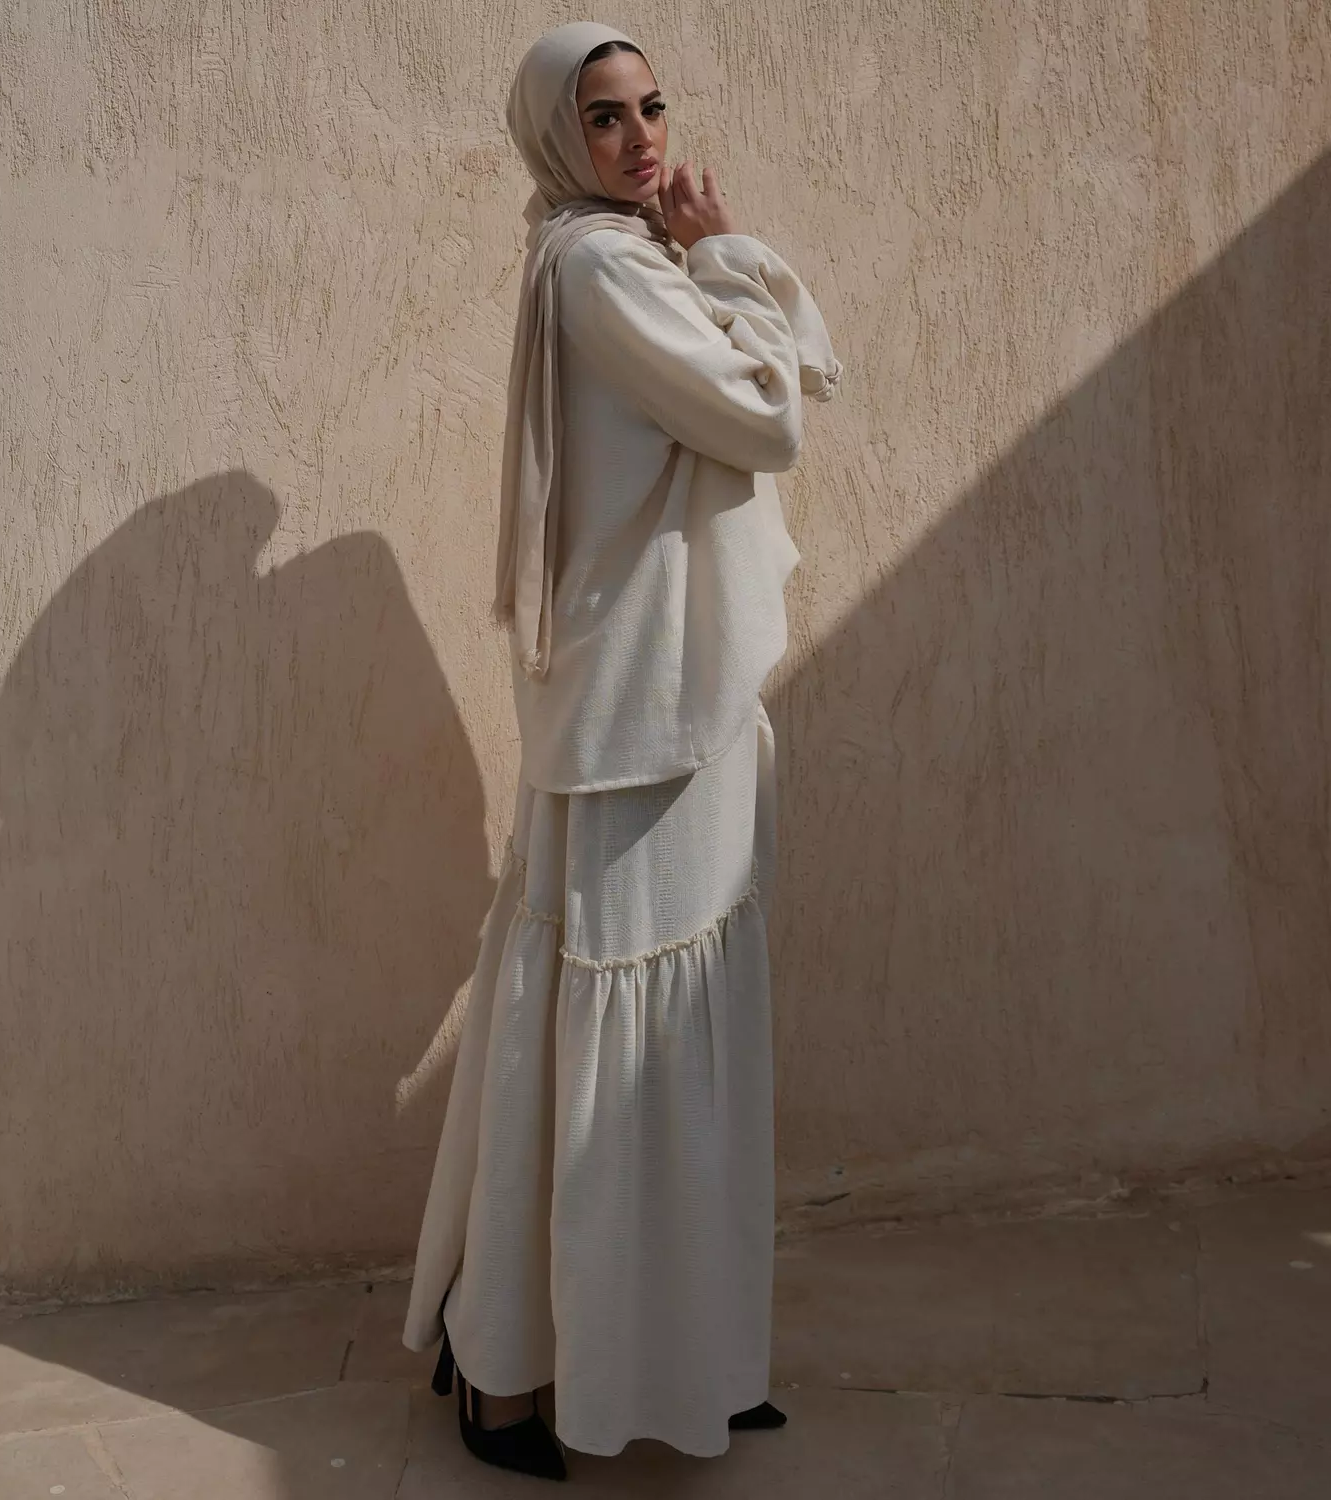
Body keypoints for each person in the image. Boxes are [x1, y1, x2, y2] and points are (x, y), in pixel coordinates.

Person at [402, 19, 840, 1479]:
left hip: (667, 700)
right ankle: (511, 1376)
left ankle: (683, 1356)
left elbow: (753, 401)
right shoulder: (604, 268)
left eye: (652, 106)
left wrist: (702, 263)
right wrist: (726, 256)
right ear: (557, 136)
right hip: (646, 713)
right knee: (623, 1064)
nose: (642, 137)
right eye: (605, 117)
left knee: (655, 1057)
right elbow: (766, 415)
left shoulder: (606, 257)